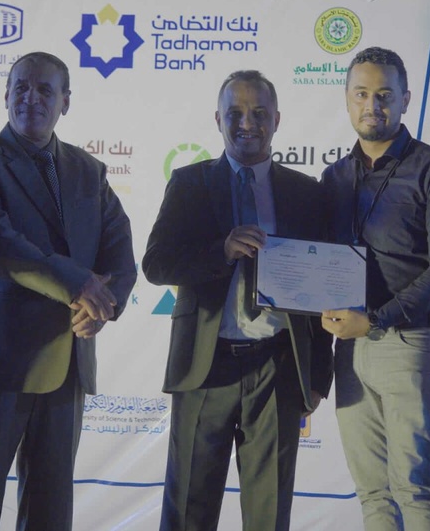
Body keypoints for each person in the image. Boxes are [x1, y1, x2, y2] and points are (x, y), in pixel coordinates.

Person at [0, 51, 137, 531]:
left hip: (67, 360)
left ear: (65, 101)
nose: (32, 98)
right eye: (21, 87)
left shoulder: (90, 170)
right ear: (5, 95)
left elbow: (119, 252)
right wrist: (78, 285)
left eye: (45, 89)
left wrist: (103, 306)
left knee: (50, 512)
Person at [142, 69, 333, 531]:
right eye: (236, 113)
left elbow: (323, 288)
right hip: (205, 366)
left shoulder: (306, 192)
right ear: (218, 119)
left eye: (259, 113)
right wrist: (220, 251)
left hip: (278, 366)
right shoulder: (189, 183)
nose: (247, 123)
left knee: (269, 514)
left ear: (277, 120)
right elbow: (156, 265)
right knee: (187, 511)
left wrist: (318, 375)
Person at [321, 46, 430, 530]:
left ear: (406, 99)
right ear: (347, 99)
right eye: (361, 94)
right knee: (372, 493)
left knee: (414, 486)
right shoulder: (334, 177)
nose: (373, 105)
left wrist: (376, 319)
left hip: (410, 341)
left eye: (384, 95)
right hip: (349, 347)